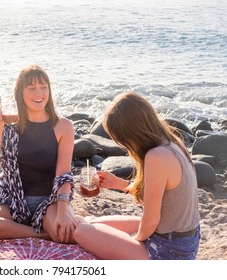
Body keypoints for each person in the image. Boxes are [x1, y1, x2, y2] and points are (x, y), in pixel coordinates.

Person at [74, 92, 201, 260]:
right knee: (90, 222)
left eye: (122, 140)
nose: (125, 146)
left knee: (81, 231)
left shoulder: (157, 156)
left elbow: (150, 220)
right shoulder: (171, 142)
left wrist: (134, 240)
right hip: (180, 237)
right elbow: (161, 199)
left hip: (168, 250)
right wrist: (118, 184)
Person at [0, 64, 79, 243]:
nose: (39, 93)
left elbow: (64, 175)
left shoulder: (63, 126)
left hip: (49, 201)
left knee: (65, 233)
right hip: (12, 200)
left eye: (43, 87)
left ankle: (32, 228)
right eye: (31, 88)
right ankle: (36, 232)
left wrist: (63, 211)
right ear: (20, 92)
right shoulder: (10, 123)